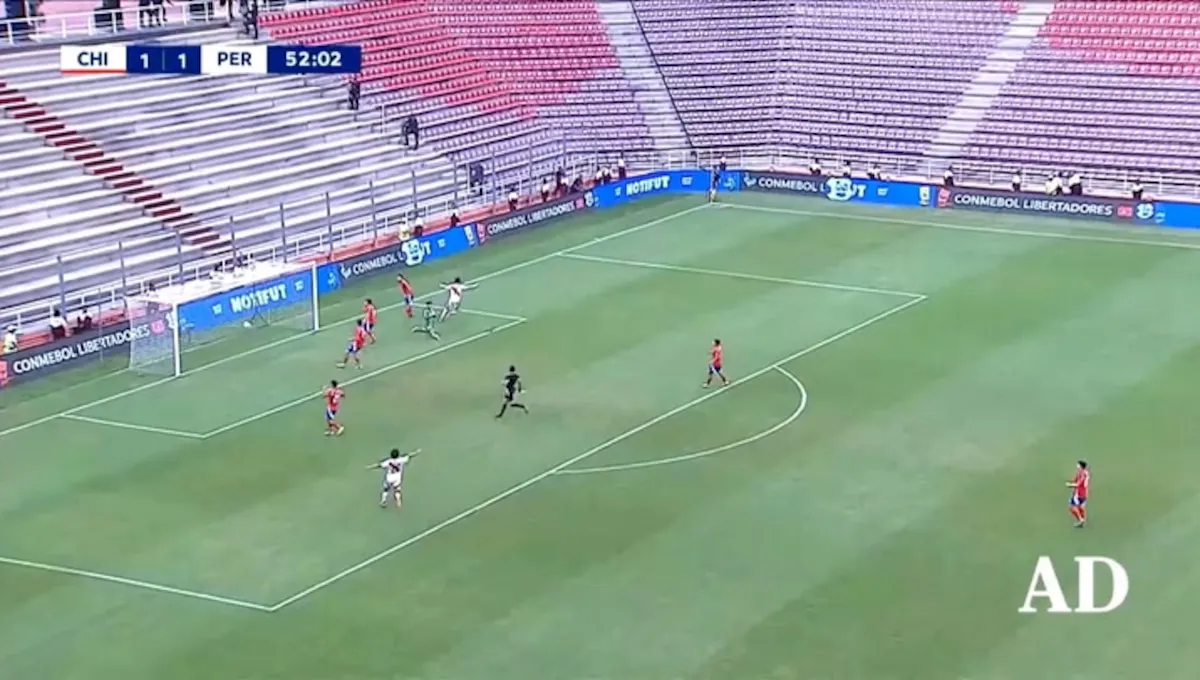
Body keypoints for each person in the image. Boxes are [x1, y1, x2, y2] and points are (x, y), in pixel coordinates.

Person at [1066, 460, 1089, 528]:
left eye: (1078, 464)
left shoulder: (1082, 474)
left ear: (1081, 466)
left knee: (1072, 507)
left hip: (1078, 493)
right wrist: (1072, 482)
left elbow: (1078, 484)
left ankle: (1080, 520)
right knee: (1081, 507)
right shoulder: (1086, 472)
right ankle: (1083, 520)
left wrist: (1070, 485)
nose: (1077, 465)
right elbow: (1076, 480)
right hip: (1085, 493)